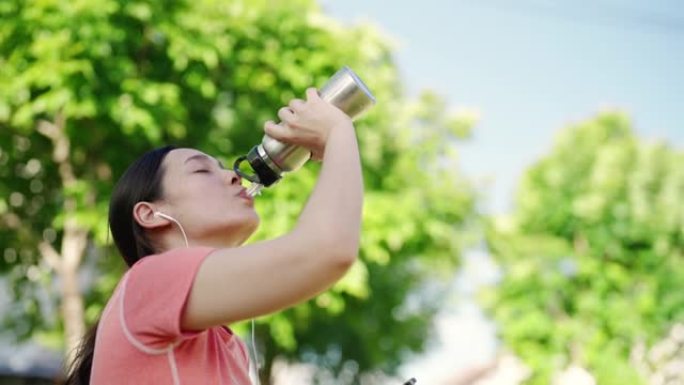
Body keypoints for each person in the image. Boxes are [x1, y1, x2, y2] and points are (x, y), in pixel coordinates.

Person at [64, 88, 364, 385]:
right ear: (150, 214)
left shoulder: (230, 346)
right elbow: (327, 250)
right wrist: (338, 132)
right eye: (201, 171)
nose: (233, 176)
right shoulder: (149, 281)